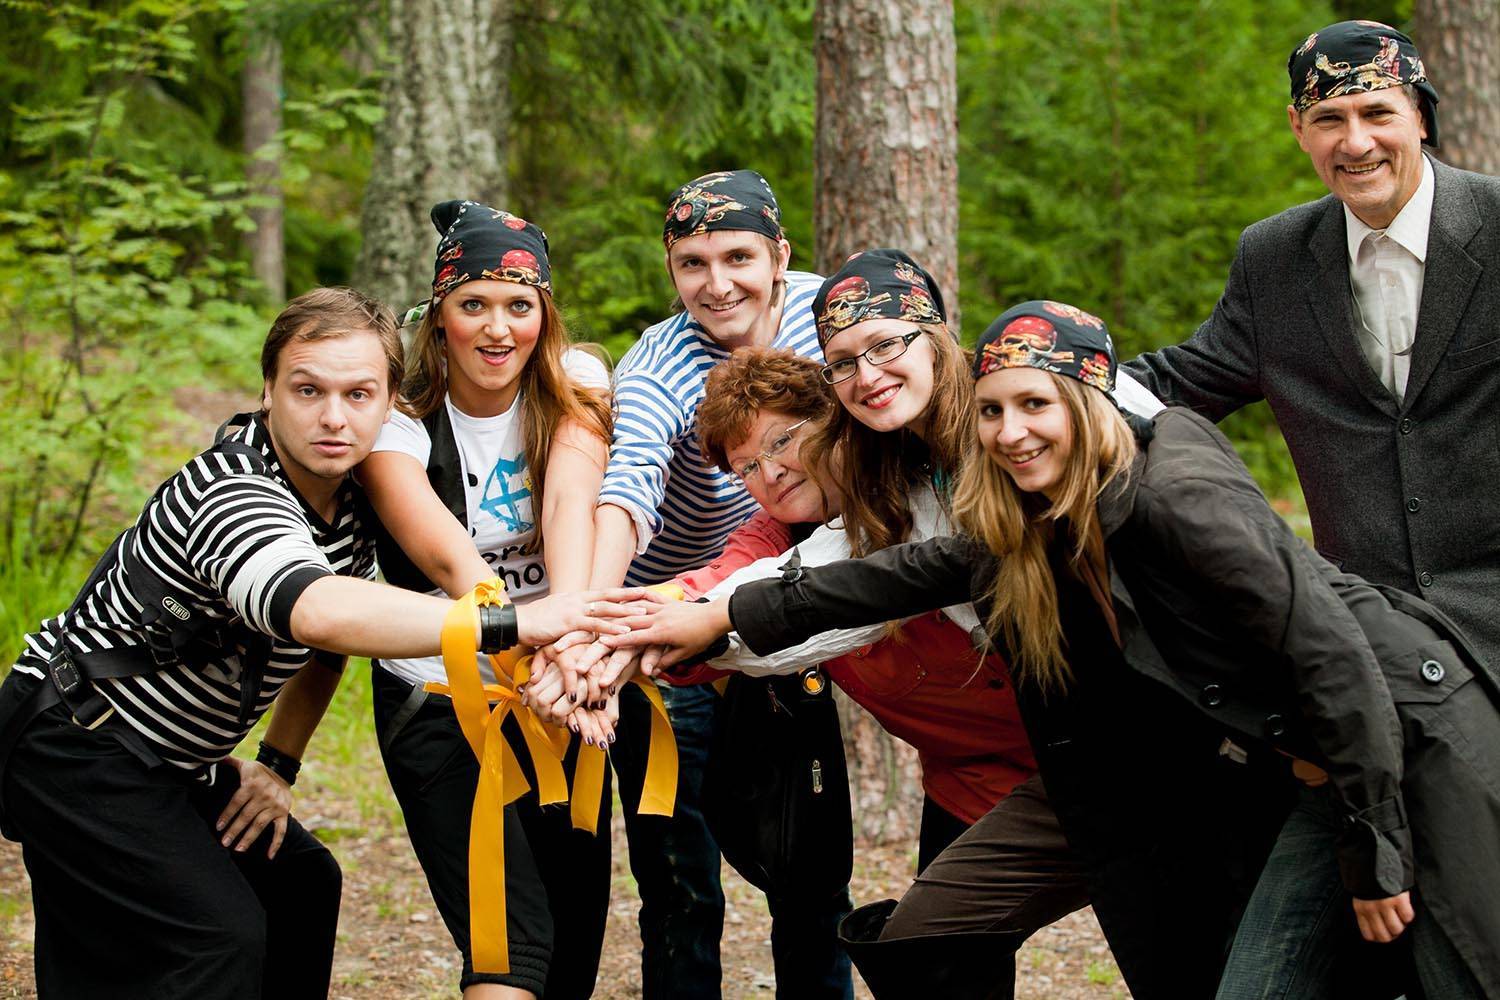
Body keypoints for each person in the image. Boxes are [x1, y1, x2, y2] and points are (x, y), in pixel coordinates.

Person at [608, 300, 1500, 999]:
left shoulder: (1177, 496)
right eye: (993, 411)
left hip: (1402, 743)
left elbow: (1333, 659)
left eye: (1035, 404)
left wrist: (1375, 848)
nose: (1011, 431)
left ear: (1089, 399)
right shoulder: (1030, 514)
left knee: (1457, 974)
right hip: (1270, 769)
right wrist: (714, 620)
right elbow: (889, 578)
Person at [0, 287, 647, 1000]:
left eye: (358, 394)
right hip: (78, 743)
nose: (334, 417)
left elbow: (330, 645)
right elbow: (315, 612)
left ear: (390, 404)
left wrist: (278, 763)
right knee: (215, 937)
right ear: (267, 391)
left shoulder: (346, 498)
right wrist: (511, 622)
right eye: (308, 390)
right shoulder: (234, 494)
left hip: (166, 761)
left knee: (300, 885)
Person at [1125, 20, 1500, 669]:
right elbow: (1175, 384)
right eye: (1329, 119)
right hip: (1367, 637)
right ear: (1299, 129)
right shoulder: (1274, 259)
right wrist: (1027, 380)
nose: (1356, 143)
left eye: (1377, 113)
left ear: (1420, 116)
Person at [578, 168, 845, 998]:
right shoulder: (658, 365)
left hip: (787, 599)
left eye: (737, 257)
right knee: (681, 885)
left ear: (780, 256)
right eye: (692, 263)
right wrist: (596, 620)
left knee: (811, 876)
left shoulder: (831, 318)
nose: (716, 283)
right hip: (666, 623)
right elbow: (628, 485)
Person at [355, 201, 616, 999]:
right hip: (442, 697)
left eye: (518, 305)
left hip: (558, 686)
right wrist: (547, 643)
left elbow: (570, 504)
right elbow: (453, 562)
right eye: (473, 304)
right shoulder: (397, 421)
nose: (497, 328)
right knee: (510, 940)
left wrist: (568, 652)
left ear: (545, 315)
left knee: (574, 936)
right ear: (440, 316)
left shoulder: (577, 384)